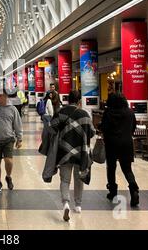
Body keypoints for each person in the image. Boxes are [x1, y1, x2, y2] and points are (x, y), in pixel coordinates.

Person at [43, 90, 95, 221]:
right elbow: (92, 132)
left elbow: (51, 128)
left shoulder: (61, 112)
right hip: (80, 153)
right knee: (79, 179)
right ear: (79, 101)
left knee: (65, 180)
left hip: (64, 151)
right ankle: (78, 205)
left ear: (68, 100)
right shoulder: (85, 115)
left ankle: (66, 203)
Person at [100, 92, 139, 207]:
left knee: (111, 168)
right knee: (127, 169)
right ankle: (134, 188)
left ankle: (113, 191)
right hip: (126, 143)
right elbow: (133, 127)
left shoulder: (108, 112)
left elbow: (104, 128)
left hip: (111, 143)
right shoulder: (130, 112)